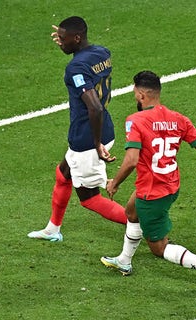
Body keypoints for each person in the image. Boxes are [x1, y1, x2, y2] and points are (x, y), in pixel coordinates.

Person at [100, 71, 196, 289]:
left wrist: (115, 183)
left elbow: (130, 161)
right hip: (170, 185)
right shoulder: (178, 119)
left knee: (158, 248)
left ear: (140, 95)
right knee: (131, 211)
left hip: (152, 192)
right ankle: (124, 261)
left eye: (134, 93)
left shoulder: (135, 121)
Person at [28, 16, 127, 242]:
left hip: (88, 139)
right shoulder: (102, 52)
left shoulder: (75, 68)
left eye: (63, 39)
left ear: (77, 37)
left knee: (90, 199)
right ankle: (53, 229)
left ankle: (145, 225)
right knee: (63, 174)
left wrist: (96, 145)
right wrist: (66, 35)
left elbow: (94, 107)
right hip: (104, 129)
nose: (59, 43)